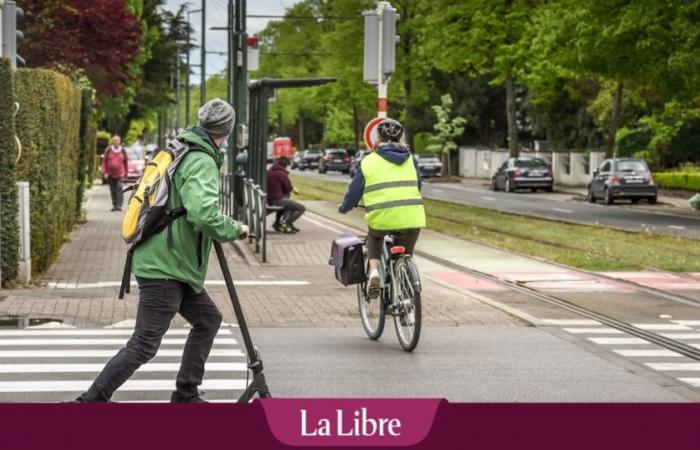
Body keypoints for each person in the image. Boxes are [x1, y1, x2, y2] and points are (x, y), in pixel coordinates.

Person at [74, 99, 249, 403]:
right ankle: (90, 402)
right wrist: (237, 228)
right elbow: (203, 214)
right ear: (227, 133)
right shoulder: (201, 160)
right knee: (144, 344)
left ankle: (185, 393)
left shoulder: (182, 148)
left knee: (208, 320)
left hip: (174, 263)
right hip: (165, 265)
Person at [338, 118, 426, 298]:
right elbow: (418, 185)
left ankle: (374, 271)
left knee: (375, 236)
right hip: (412, 218)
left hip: (382, 218)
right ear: (401, 139)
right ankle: (406, 292)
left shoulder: (368, 161)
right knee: (405, 254)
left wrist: (345, 207)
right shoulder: (411, 159)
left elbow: (354, 192)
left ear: (378, 138)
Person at [267, 156, 305, 233]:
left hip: (269, 198)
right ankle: (285, 223)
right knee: (300, 208)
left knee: (288, 205)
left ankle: (279, 223)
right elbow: (287, 189)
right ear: (286, 165)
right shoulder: (282, 174)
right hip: (276, 200)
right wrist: (294, 189)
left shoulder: (269, 171)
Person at [101, 135, 129, 211]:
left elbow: (126, 162)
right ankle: (114, 205)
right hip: (110, 174)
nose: (116, 142)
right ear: (112, 142)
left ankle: (119, 205)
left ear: (119, 142)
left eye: (117, 141)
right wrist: (105, 172)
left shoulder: (122, 150)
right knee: (112, 190)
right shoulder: (108, 150)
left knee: (119, 188)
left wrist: (126, 173)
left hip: (120, 173)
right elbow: (104, 162)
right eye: (114, 141)